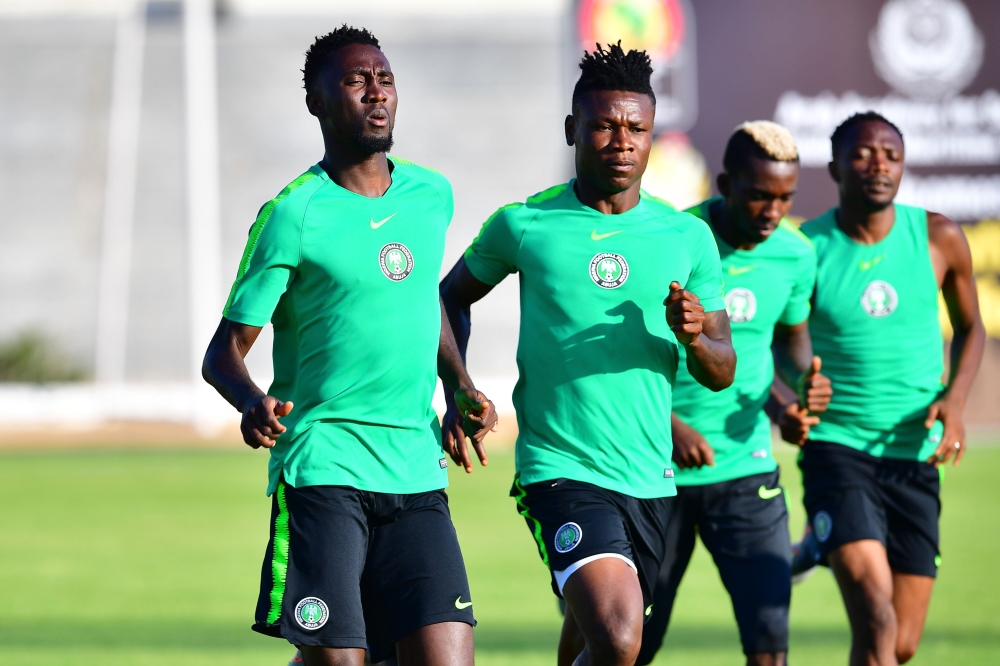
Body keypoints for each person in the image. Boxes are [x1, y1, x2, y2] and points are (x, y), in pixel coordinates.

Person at [201, 26, 497, 666]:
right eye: (356, 81)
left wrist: (460, 387)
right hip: (324, 466)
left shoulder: (431, 195)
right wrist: (252, 402)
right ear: (317, 102)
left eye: (385, 79)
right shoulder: (293, 213)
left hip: (416, 466)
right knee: (339, 661)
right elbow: (223, 353)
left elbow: (428, 301)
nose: (376, 93)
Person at [439, 43, 736, 666]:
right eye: (604, 125)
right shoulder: (524, 224)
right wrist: (458, 384)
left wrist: (693, 337)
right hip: (561, 469)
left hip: (651, 478)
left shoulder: (687, 237)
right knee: (621, 636)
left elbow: (721, 369)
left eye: (637, 129)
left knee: (598, 639)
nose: (621, 141)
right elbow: (447, 300)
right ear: (574, 128)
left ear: (653, 136)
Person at [635, 121, 832, 666]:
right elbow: (628, 349)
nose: (774, 210)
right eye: (760, 195)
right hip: (654, 471)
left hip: (746, 469)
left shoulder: (796, 254)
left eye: (786, 197)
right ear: (726, 181)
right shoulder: (672, 240)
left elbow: (790, 343)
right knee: (630, 644)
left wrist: (801, 390)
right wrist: (667, 426)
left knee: (770, 640)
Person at [793, 111, 985, 666]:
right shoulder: (808, 249)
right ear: (834, 166)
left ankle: (815, 545)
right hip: (838, 447)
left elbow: (973, 329)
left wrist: (954, 400)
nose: (879, 165)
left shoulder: (939, 236)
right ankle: (829, 534)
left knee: (898, 646)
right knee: (876, 618)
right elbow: (787, 341)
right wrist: (802, 379)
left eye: (891, 155)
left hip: (912, 456)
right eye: (862, 154)